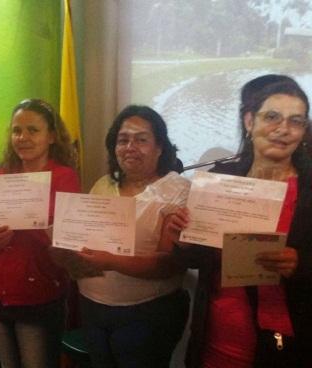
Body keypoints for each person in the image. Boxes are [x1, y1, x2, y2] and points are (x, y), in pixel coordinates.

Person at [172, 78, 312, 367]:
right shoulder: (222, 177)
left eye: (295, 120)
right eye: (272, 117)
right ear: (249, 121)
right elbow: (201, 259)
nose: (283, 129)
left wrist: (302, 264)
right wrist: (184, 241)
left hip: (287, 346)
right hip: (218, 337)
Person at [73, 105, 190, 367]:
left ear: (160, 146)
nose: (130, 147)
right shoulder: (103, 185)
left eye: (141, 139)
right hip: (93, 308)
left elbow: (169, 265)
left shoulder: (177, 190)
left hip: (146, 315)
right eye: (122, 140)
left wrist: (111, 262)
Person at [0, 98, 81, 368]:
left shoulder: (64, 176)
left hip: (38, 297)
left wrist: (39, 222)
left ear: (52, 135)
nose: (23, 137)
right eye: (17, 130)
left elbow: (68, 238)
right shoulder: (2, 173)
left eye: (33, 130)